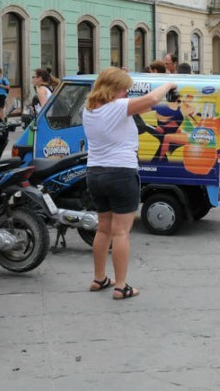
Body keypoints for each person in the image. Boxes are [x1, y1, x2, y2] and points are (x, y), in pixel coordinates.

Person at [83, 67, 176, 300]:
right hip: (121, 173)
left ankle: (99, 278)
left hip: (95, 173)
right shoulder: (117, 107)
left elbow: (144, 105)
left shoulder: (90, 109)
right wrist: (168, 84)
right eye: (124, 88)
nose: (127, 93)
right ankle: (121, 286)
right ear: (114, 89)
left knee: (103, 228)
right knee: (121, 232)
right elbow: (153, 98)